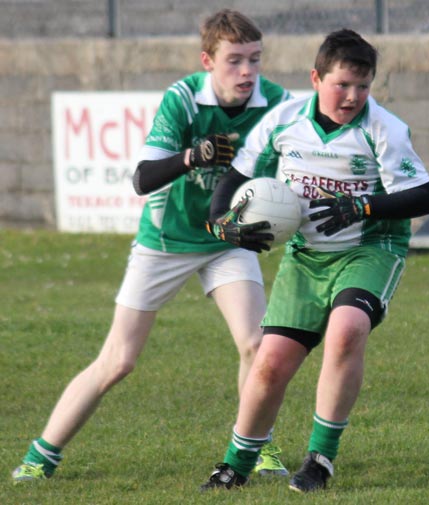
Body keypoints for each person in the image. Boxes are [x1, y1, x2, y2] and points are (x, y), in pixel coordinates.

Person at [12, 9, 293, 482]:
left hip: (227, 239)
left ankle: (255, 447)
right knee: (118, 360)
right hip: (166, 241)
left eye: (255, 60)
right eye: (234, 61)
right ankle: (41, 455)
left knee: (256, 344)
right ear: (208, 60)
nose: (247, 72)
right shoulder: (183, 100)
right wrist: (192, 155)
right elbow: (143, 178)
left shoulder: (277, 102)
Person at [200, 28, 429, 492]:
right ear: (315, 77)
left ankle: (320, 460)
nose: (352, 96)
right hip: (306, 256)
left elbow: (425, 196)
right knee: (270, 363)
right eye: (341, 84)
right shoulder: (284, 121)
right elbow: (235, 177)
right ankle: (236, 464)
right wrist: (219, 222)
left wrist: (361, 205)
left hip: (369, 249)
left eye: (363, 86)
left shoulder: (383, 129)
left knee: (347, 330)